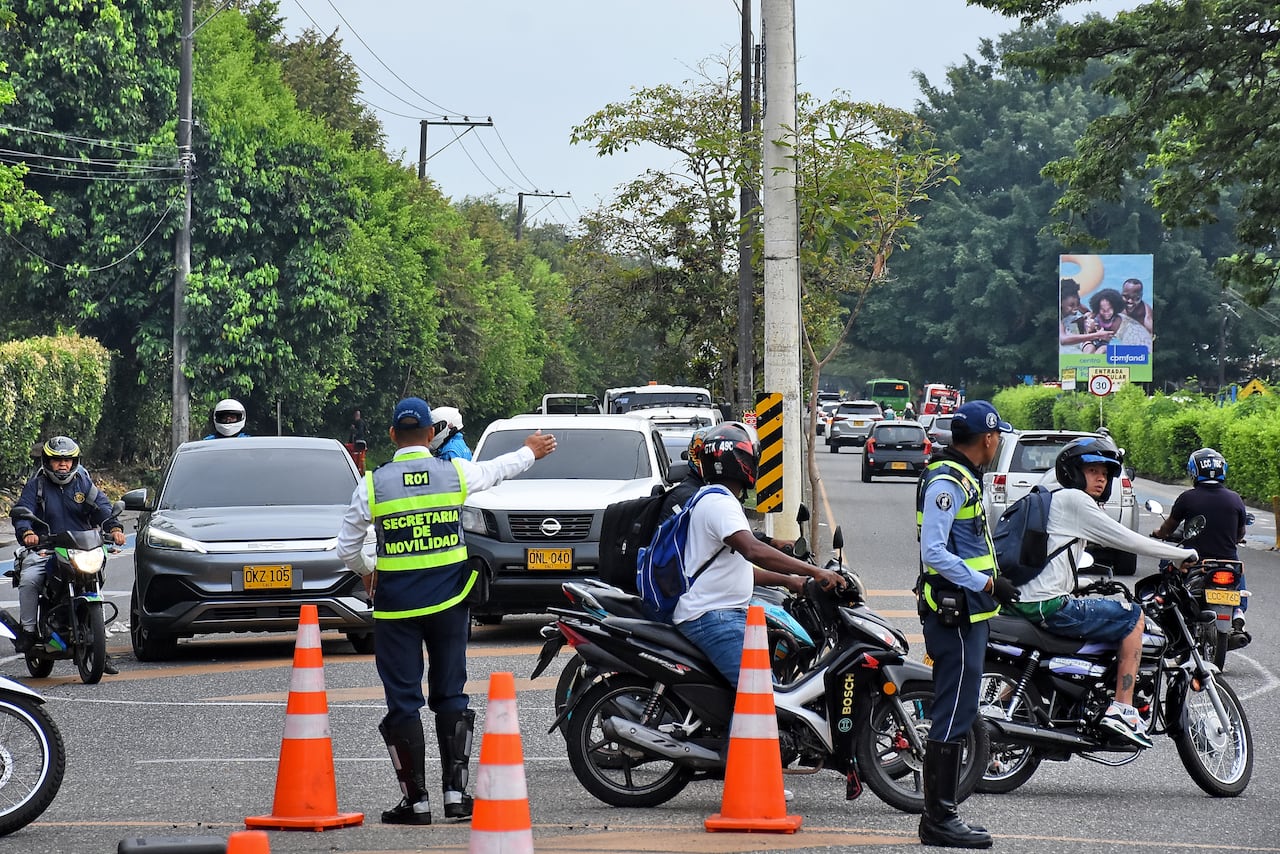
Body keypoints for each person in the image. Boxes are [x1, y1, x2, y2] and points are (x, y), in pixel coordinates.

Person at [336, 397, 555, 826]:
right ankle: (456, 796)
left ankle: (415, 803)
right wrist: (531, 449)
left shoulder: (373, 484)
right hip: (448, 604)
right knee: (451, 693)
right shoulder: (452, 472)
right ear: (432, 435)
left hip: (396, 610)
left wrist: (369, 571)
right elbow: (498, 470)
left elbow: (347, 547)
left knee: (403, 700)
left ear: (393, 436)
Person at [1012, 435, 1196, 750]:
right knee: (1132, 617)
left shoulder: (1055, 500)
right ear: (1072, 472)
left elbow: (1050, 563)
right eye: (1093, 470)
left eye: (1106, 472)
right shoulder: (1075, 500)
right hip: (1047, 605)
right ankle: (1123, 709)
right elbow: (1126, 539)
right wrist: (1182, 555)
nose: (1101, 477)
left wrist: (1084, 584)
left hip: (1027, 599)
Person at [915, 400, 1018, 849]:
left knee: (959, 710)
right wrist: (987, 583)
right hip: (955, 613)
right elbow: (934, 551)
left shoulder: (962, 476)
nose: (997, 444)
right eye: (998, 438)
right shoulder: (946, 480)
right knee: (953, 712)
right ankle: (938, 819)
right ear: (988, 438)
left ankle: (944, 813)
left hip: (969, 611)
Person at [671, 422, 844, 688]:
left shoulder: (710, 497)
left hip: (717, 612)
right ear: (742, 462)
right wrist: (815, 571)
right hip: (715, 617)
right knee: (761, 697)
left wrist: (791, 581)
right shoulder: (720, 503)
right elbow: (754, 550)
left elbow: (735, 570)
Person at [10, 436, 126, 674]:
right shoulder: (37, 485)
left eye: (67, 460)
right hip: (45, 548)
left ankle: (99, 650)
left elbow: (102, 507)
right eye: (57, 460)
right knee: (30, 580)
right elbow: (22, 513)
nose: (63, 465)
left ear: (75, 462)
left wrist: (113, 527)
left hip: (82, 548)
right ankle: (29, 632)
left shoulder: (83, 483)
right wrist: (28, 532)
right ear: (47, 462)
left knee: (95, 581)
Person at [1150, 448, 1249, 637]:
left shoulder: (1187, 498)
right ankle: (1238, 611)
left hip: (1194, 561)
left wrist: (1158, 533)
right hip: (1226, 561)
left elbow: (1168, 529)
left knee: (1166, 567)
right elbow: (1240, 533)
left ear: (1194, 471)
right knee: (1237, 570)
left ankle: (1166, 608)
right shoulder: (1235, 498)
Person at [1084, 288, 1151, 352]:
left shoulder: (1117, 320)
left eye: (1109, 309)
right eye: (1103, 310)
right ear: (1098, 309)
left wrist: (1099, 332)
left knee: (1102, 350)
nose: (1106, 313)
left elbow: (1110, 337)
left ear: (1115, 307)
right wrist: (1091, 327)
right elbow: (1088, 328)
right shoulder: (1095, 316)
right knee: (1089, 349)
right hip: (1090, 341)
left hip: (1103, 343)